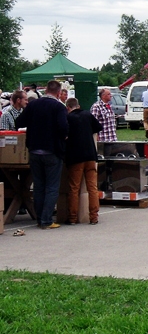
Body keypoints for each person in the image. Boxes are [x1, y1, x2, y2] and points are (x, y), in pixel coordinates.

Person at [15, 80, 69, 229]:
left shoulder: (33, 105)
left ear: (45, 90)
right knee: (52, 186)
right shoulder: (59, 107)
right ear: (58, 93)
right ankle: (46, 220)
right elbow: (63, 126)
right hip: (52, 151)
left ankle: (39, 218)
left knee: (38, 186)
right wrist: (64, 136)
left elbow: (19, 122)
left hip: (34, 150)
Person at [64, 97, 102, 225]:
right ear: (78, 106)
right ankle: (94, 217)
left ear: (68, 108)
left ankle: (72, 217)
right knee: (92, 187)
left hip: (75, 157)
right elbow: (98, 127)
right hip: (90, 155)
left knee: (74, 188)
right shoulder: (87, 115)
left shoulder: (68, 118)